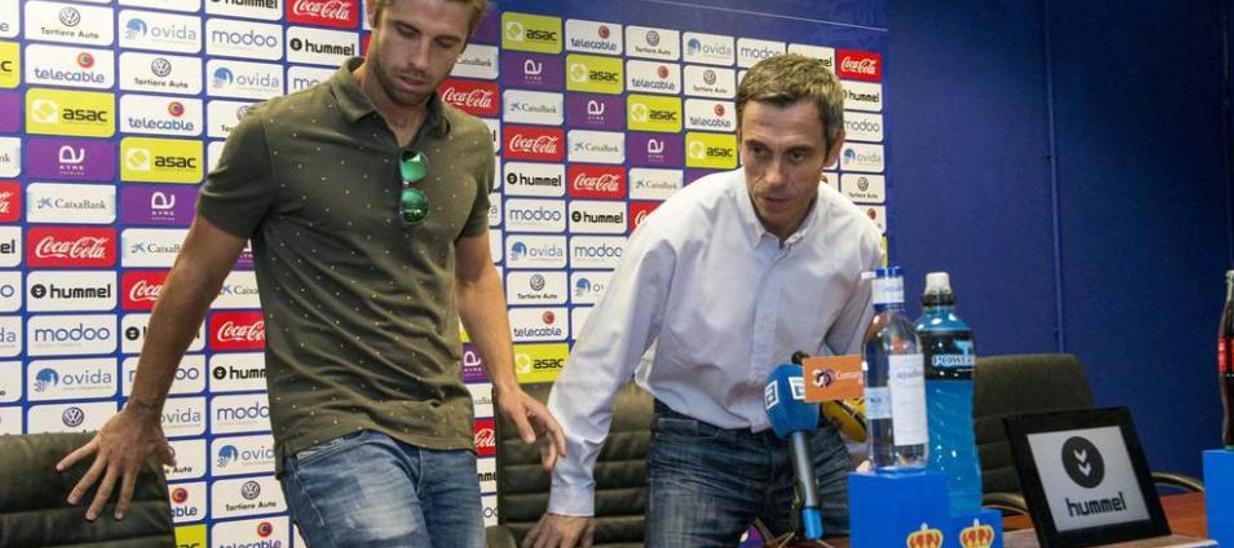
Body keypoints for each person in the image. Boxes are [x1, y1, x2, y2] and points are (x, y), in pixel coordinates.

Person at [57, 1, 565, 546]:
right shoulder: (276, 132)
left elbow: (474, 276)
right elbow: (195, 274)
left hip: (444, 426)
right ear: (376, 13)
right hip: (332, 424)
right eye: (406, 32)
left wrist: (506, 384)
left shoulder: (467, 143)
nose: (419, 59)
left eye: (445, 44)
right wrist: (142, 410)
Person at [524, 54, 884, 548]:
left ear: (834, 149)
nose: (773, 177)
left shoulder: (857, 239)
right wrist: (570, 495)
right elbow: (600, 362)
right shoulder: (678, 229)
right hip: (697, 444)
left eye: (797, 155)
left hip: (807, 435)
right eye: (757, 150)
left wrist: (861, 460)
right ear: (738, 138)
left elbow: (848, 367)